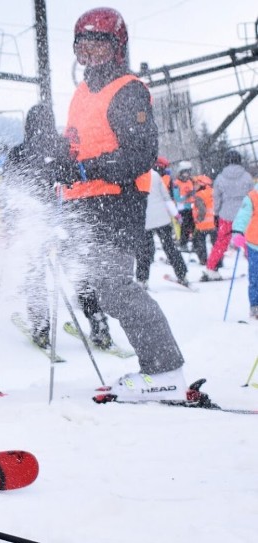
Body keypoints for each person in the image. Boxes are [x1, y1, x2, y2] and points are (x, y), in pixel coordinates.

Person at [54, 7, 187, 402]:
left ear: (118, 48)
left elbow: (140, 153)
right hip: (85, 203)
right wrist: (58, 159)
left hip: (118, 200)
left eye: (99, 44)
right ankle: (161, 369)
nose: (90, 53)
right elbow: (77, 142)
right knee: (104, 288)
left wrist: (85, 169)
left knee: (115, 288)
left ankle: (165, 371)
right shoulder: (81, 92)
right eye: (83, 45)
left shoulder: (128, 89)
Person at [4, 103, 113, 350]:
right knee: (77, 272)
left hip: (33, 221)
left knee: (35, 275)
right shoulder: (64, 147)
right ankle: (99, 324)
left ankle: (41, 328)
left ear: (28, 124)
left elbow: (9, 189)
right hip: (66, 219)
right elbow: (77, 176)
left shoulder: (18, 152)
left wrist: (11, 221)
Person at [202, 150, 255, 281]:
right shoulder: (247, 176)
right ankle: (255, 267)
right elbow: (253, 196)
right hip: (244, 215)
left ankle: (210, 268)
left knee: (221, 243)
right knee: (250, 242)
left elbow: (217, 198)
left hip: (226, 215)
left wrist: (216, 212)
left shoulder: (220, 177)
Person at [136, 165, 188, 287]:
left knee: (144, 250)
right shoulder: (155, 175)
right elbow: (166, 197)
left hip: (144, 219)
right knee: (170, 246)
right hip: (161, 218)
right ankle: (182, 274)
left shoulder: (135, 176)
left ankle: (142, 279)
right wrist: (176, 214)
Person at [231, 183, 258, 319]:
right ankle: (255, 306)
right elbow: (243, 215)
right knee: (255, 277)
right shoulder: (252, 197)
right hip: (255, 245)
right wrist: (238, 232)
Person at [191, 174, 215, 267]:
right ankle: (218, 261)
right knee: (215, 244)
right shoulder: (213, 192)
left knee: (198, 242)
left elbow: (202, 210)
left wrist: (198, 219)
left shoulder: (199, 195)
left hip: (202, 224)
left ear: (202, 184)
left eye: (196, 184)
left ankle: (203, 260)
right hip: (213, 224)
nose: (194, 186)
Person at [172, 161, 196, 250]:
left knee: (193, 226)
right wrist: (186, 196)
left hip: (190, 207)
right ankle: (183, 244)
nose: (187, 175)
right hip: (182, 208)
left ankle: (194, 243)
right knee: (185, 226)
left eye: (188, 172)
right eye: (185, 172)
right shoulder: (176, 183)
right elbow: (177, 198)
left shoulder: (190, 182)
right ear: (181, 172)